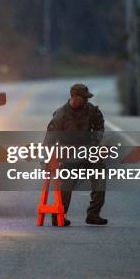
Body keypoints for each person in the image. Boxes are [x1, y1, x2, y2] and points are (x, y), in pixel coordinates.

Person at [45, 83, 107, 226]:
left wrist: (96, 145)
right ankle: (58, 216)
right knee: (66, 184)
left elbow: (99, 127)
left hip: (88, 151)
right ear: (75, 97)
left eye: (87, 98)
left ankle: (93, 214)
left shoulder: (91, 110)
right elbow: (49, 140)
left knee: (100, 175)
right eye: (84, 98)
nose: (86, 101)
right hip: (68, 153)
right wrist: (52, 159)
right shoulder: (60, 114)